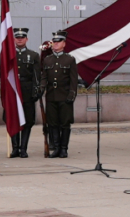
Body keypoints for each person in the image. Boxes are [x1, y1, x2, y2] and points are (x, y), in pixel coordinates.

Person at [40, 31, 79, 159]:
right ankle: (56, 148)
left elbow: (73, 80)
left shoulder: (69, 59)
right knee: (52, 123)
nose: (56, 44)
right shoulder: (47, 59)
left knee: (65, 124)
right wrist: (41, 89)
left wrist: (72, 94)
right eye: (54, 42)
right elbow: (44, 77)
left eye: (58, 42)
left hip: (65, 96)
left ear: (64, 44)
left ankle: (63, 149)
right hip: (51, 96)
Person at [11, 27, 41, 159]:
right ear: (14, 39)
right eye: (17, 37)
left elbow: (36, 76)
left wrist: (36, 90)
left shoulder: (33, 55)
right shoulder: (8, 55)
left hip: (27, 91)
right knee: (13, 120)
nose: (19, 39)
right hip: (13, 91)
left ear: (26, 39)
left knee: (27, 121)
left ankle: (23, 149)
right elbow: (1, 73)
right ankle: (14, 149)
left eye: (22, 38)